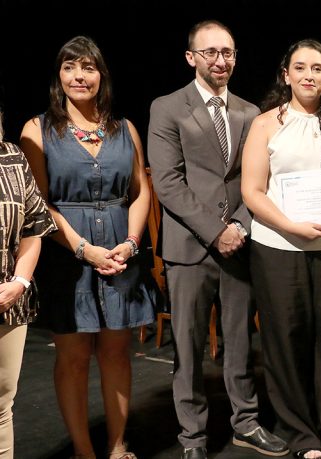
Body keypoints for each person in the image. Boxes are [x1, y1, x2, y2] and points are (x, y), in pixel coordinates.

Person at [146, 21, 288, 459]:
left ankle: (246, 423)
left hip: (240, 245)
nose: (220, 60)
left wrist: (239, 227)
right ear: (191, 57)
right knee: (188, 349)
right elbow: (168, 183)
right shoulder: (168, 107)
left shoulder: (250, 111)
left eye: (227, 52)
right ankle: (193, 437)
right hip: (191, 247)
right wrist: (216, 230)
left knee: (240, 342)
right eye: (210, 52)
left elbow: (257, 180)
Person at [19, 36, 156, 459]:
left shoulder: (124, 129)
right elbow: (39, 203)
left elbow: (140, 191)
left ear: (102, 76)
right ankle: (83, 450)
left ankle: (117, 445)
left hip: (120, 253)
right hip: (66, 256)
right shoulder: (37, 130)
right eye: (70, 67)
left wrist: (130, 243)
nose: (79, 76)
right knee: (74, 357)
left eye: (88, 67)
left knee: (117, 354)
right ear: (59, 76)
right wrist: (83, 249)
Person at [241, 39, 321, 459]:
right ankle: (299, 432)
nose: (309, 75)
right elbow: (252, 191)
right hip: (279, 248)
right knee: (286, 340)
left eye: (317, 68)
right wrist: (291, 225)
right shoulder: (265, 124)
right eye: (300, 68)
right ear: (286, 75)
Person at [0, 110, 56, 458]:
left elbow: (34, 226)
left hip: (9, 300)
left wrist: (20, 281)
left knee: (2, 403)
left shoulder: (12, 157)